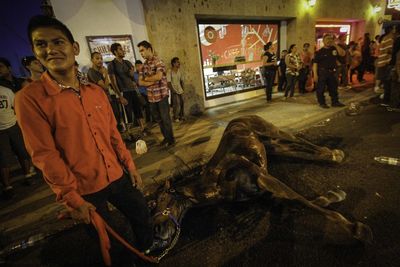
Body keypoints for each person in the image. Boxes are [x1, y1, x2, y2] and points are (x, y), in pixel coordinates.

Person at [14, 15, 153, 262]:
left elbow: (113, 134)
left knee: (142, 214)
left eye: (58, 42)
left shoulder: (95, 91)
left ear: (74, 48)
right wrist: (72, 199)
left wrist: (130, 166)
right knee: (108, 241)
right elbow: (45, 155)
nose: (50, 50)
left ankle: (149, 252)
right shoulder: (30, 99)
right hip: (84, 187)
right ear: (35, 52)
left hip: (116, 173)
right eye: (41, 44)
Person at [0, 85, 36, 199]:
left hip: (13, 125)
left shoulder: (6, 91)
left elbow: (15, 107)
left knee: (22, 151)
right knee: (3, 160)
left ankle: (28, 175)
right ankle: (7, 186)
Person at [138, 40, 175, 147]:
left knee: (165, 119)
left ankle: (171, 139)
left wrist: (146, 79)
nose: (141, 53)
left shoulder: (158, 61)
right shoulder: (143, 66)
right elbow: (140, 82)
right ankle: (166, 138)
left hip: (162, 95)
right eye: (140, 51)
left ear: (149, 49)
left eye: (143, 50)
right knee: (159, 120)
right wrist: (151, 81)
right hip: (151, 97)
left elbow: (159, 77)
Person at [108, 42, 148, 135]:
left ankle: (143, 128)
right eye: (120, 49)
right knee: (127, 113)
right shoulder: (112, 65)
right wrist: (120, 96)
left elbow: (133, 78)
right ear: (115, 51)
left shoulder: (127, 62)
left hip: (133, 90)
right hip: (123, 92)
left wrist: (132, 73)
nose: (123, 51)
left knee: (138, 110)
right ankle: (129, 133)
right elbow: (113, 82)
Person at [87, 52, 126, 128]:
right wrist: (106, 73)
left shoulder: (100, 72)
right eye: (97, 58)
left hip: (107, 98)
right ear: (92, 60)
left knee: (115, 118)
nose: (100, 60)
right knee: (108, 122)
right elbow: (105, 87)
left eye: (101, 58)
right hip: (99, 101)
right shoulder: (92, 72)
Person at [313, 34, 346, 108]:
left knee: (333, 88)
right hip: (322, 72)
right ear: (323, 41)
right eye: (327, 39)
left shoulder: (334, 49)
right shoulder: (319, 52)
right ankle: (322, 103)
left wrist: (335, 45)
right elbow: (315, 64)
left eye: (330, 39)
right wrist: (315, 74)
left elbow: (343, 54)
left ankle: (335, 102)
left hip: (332, 72)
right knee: (321, 89)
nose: (329, 40)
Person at [133, 60, 152, 125]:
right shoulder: (134, 75)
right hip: (139, 93)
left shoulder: (145, 73)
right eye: (137, 66)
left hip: (147, 92)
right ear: (135, 67)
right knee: (143, 107)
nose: (139, 67)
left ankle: (149, 121)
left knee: (148, 107)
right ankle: (144, 122)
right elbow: (135, 84)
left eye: (140, 66)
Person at [167, 57, 185, 122]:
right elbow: (168, 82)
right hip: (174, 89)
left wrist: (183, 88)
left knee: (182, 102)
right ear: (173, 63)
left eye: (178, 62)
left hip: (179, 89)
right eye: (177, 62)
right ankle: (175, 117)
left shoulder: (179, 71)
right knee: (176, 104)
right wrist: (172, 90)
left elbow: (181, 80)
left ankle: (182, 116)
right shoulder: (169, 71)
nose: (179, 63)